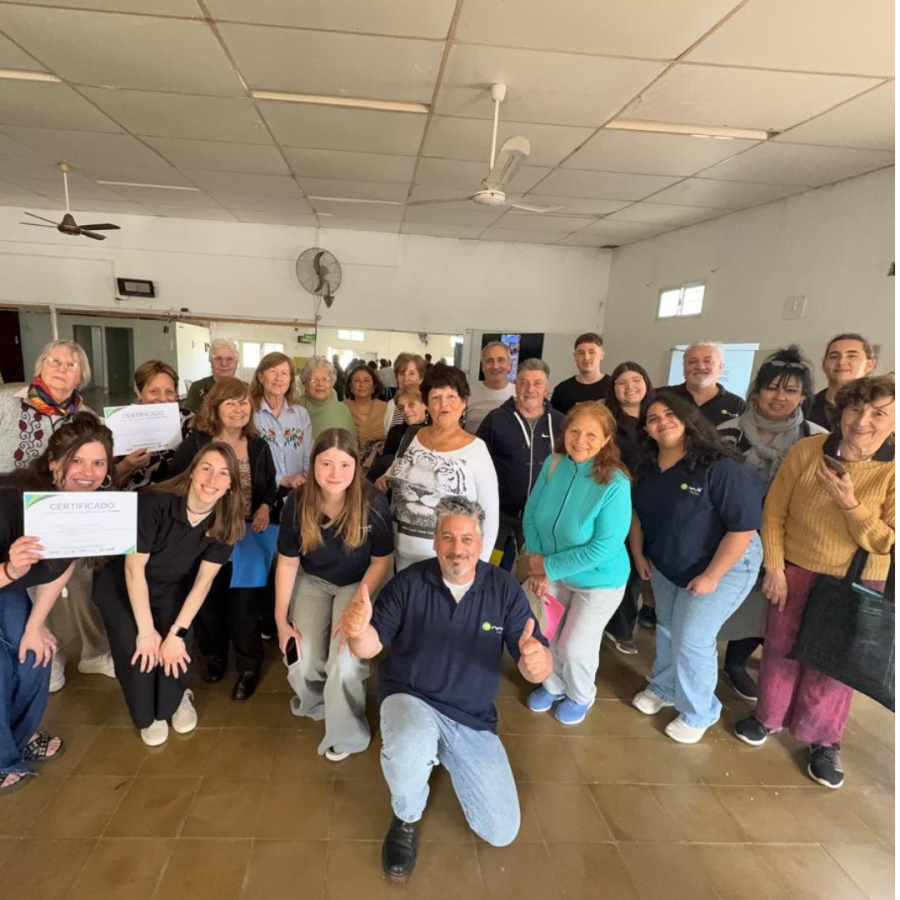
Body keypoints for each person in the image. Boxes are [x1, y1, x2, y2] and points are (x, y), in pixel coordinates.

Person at [334, 496, 552, 881]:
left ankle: (436, 754)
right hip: (411, 696)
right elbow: (370, 645)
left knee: (501, 832)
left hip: (471, 716)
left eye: (467, 539)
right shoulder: (408, 583)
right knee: (408, 747)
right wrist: (356, 631)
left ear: (480, 545)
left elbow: (534, 660)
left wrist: (538, 664)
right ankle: (406, 815)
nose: (457, 549)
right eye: (448, 538)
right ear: (435, 543)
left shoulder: (503, 588)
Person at [735, 375, 894, 789]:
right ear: (840, 413)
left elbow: (885, 541)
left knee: (833, 666)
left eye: (879, 414)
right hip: (795, 569)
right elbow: (774, 513)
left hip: (857, 582)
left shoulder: (892, 470)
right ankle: (767, 717)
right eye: (855, 409)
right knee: (780, 650)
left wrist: (849, 502)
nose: (863, 421)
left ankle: (823, 740)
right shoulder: (808, 451)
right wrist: (774, 566)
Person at [629, 391, 764, 744]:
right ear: (646, 429)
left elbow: (742, 527)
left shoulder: (720, 467)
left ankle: (699, 710)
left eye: (670, 414)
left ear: (689, 418)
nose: (662, 422)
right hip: (668, 560)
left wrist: (712, 576)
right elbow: (638, 515)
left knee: (693, 639)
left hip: (725, 564)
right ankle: (665, 686)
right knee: (668, 627)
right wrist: (639, 554)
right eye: (653, 418)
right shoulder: (647, 467)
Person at [94, 443, 244, 746]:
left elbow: (203, 582)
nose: (212, 479)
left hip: (171, 586)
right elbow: (134, 570)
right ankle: (149, 715)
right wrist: (147, 632)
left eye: (223, 473)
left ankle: (175, 699)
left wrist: (176, 633)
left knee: (176, 650)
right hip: (123, 586)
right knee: (141, 656)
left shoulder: (227, 523)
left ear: (231, 485)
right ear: (192, 473)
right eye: (206, 468)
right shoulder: (154, 502)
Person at [0, 412, 114, 792]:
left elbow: (61, 566)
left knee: (34, 653)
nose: (88, 472)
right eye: (76, 461)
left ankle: (19, 736)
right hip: (3, 579)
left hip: (10, 589)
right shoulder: (11, 500)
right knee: (2, 664)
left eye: (98, 463)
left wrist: (37, 624)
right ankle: (2, 757)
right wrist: (11, 570)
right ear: (52, 462)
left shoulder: (83, 505)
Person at [274, 429, 393, 761]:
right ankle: (317, 701)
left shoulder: (373, 502)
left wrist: (357, 607)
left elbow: (381, 561)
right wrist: (280, 620)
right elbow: (287, 563)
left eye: (344, 464)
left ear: (356, 467)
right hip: (312, 580)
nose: (335, 474)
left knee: (344, 658)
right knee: (304, 654)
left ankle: (349, 733)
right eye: (326, 464)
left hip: (359, 585)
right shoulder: (297, 503)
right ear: (313, 466)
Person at [0, 340, 112, 690]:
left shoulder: (87, 417)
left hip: (67, 509)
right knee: (28, 579)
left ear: (82, 375)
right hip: (13, 503)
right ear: (40, 365)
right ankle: (52, 654)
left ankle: (94, 651)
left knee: (79, 581)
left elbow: (97, 465)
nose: (64, 370)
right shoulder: (7, 403)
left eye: (72, 365)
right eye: (56, 362)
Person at [716, 347, 827, 700]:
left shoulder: (815, 438)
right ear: (756, 391)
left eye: (790, 390)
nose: (780, 397)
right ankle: (717, 659)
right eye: (772, 388)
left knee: (771, 605)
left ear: (803, 397)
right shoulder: (728, 432)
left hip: (790, 538)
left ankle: (738, 662)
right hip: (733, 533)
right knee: (730, 599)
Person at [521, 401, 632, 724]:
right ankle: (554, 684)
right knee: (545, 633)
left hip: (598, 580)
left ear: (607, 439)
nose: (580, 440)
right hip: (549, 568)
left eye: (591, 434)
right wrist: (537, 563)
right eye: (574, 430)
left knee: (574, 647)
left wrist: (548, 568)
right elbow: (531, 515)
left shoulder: (615, 483)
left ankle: (580, 694)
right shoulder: (554, 465)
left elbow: (604, 547)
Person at [168, 378, 277, 701]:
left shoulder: (258, 444)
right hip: (206, 535)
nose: (239, 409)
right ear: (214, 406)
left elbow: (269, 484)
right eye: (231, 402)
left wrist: (265, 507)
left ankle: (248, 666)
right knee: (208, 602)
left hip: (247, 536)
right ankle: (213, 654)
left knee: (244, 604)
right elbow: (175, 483)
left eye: (244, 403)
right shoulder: (196, 443)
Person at [383, 363, 499, 570]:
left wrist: (480, 567)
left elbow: (489, 515)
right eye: (436, 397)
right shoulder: (412, 436)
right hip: (402, 553)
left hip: (450, 561)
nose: (443, 405)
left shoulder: (476, 449)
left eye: (451, 397)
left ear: (464, 402)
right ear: (426, 403)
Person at [476, 359, 564, 570]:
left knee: (532, 571)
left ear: (547, 388)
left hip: (542, 518)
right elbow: (478, 464)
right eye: (524, 382)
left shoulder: (562, 423)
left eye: (537, 383)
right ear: (515, 384)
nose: (530, 389)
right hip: (500, 515)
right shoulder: (496, 419)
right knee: (492, 565)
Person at [601, 361, 656, 651]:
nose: (630, 387)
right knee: (617, 561)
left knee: (640, 567)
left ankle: (625, 622)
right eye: (622, 382)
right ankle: (614, 625)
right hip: (613, 499)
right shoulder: (607, 420)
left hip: (651, 502)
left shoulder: (659, 416)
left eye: (636, 380)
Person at [115, 359, 192, 492]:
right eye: (154, 391)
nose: (162, 399)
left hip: (179, 497)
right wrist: (127, 466)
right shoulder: (122, 423)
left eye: (169, 392)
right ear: (139, 393)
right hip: (136, 500)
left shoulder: (190, 421)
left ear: (176, 394)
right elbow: (107, 483)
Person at [250, 352, 312, 497]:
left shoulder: (301, 414)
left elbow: (308, 453)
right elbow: (248, 458)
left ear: (290, 380)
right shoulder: (250, 413)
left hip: (298, 490)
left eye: (284, 373)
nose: (278, 378)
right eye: (273, 372)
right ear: (260, 377)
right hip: (261, 492)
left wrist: (305, 480)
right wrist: (282, 480)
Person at [664, 340, 746, 425]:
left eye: (707, 361)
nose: (700, 367)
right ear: (684, 367)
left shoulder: (737, 405)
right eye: (692, 362)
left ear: (720, 367)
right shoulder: (663, 396)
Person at [808, 333, 877, 430]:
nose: (841, 362)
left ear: (869, 364)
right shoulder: (802, 409)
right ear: (824, 364)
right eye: (834, 356)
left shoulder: (884, 409)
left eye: (852, 356)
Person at [369, 385, 428, 486]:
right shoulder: (395, 432)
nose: (405, 411)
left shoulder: (434, 431)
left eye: (411, 405)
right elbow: (385, 465)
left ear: (424, 405)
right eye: (401, 408)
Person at [550, 333, 609, 416]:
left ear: (602, 355)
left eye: (592, 352)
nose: (586, 357)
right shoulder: (562, 390)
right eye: (581, 353)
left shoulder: (613, 387)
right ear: (575, 356)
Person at [298, 356, 356, 440]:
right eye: (314, 379)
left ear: (332, 383)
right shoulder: (294, 407)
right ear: (304, 382)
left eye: (325, 379)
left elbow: (351, 443)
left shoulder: (342, 410)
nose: (320, 384)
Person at [343, 363, 387, 472]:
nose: (361, 384)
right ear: (350, 386)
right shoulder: (342, 408)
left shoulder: (385, 408)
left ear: (374, 386)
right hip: (347, 467)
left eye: (367, 381)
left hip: (378, 470)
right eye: (357, 381)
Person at [465, 342, 515, 434]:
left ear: (509, 364)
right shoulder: (467, 393)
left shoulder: (519, 394)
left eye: (500, 360)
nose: (495, 366)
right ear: (482, 366)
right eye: (489, 361)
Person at [183, 338, 240, 414]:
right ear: (211, 362)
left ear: (236, 363)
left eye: (229, 359)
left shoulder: (247, 389)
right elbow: (189, 421)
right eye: (218, 358)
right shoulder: (197, 388)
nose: (224, 364)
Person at [383, 353, 427, 431]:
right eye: (402, 373)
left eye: (411, 373)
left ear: (421, 378)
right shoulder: (391, 404)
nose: (406, 378)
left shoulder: (430, 403)